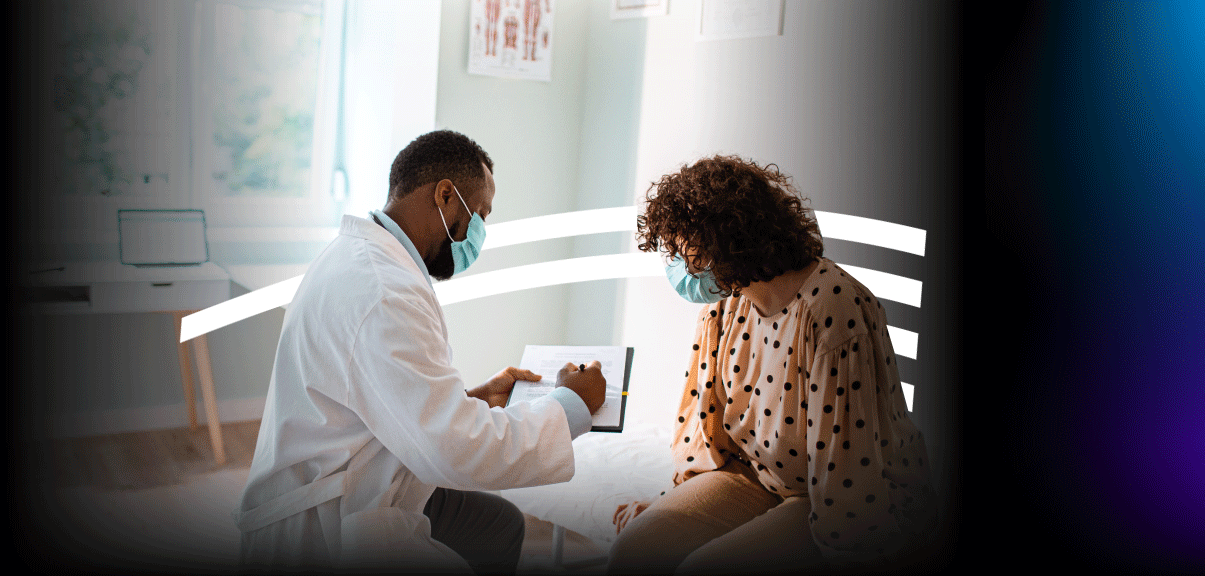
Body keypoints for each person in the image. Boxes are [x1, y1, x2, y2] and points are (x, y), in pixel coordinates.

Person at [235, 130, 607, 575]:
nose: (480, 235)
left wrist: (471, 399)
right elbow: (455, 452)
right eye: (481, 215)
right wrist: (572, 404)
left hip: (367, 469)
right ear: (446, 197)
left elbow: (383, 394)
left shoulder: (364, 257)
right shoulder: (384, 292)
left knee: (499, 523)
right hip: (331, 516)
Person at [607, 156, 938, 574]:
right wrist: (669, 502)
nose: (678, 267)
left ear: (728, 240)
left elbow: (847, 469)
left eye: (684, 251)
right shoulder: (725, 304)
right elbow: (706, 424)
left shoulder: (833, 311)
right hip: (754, 474)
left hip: (834, 493)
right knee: (632, 553)